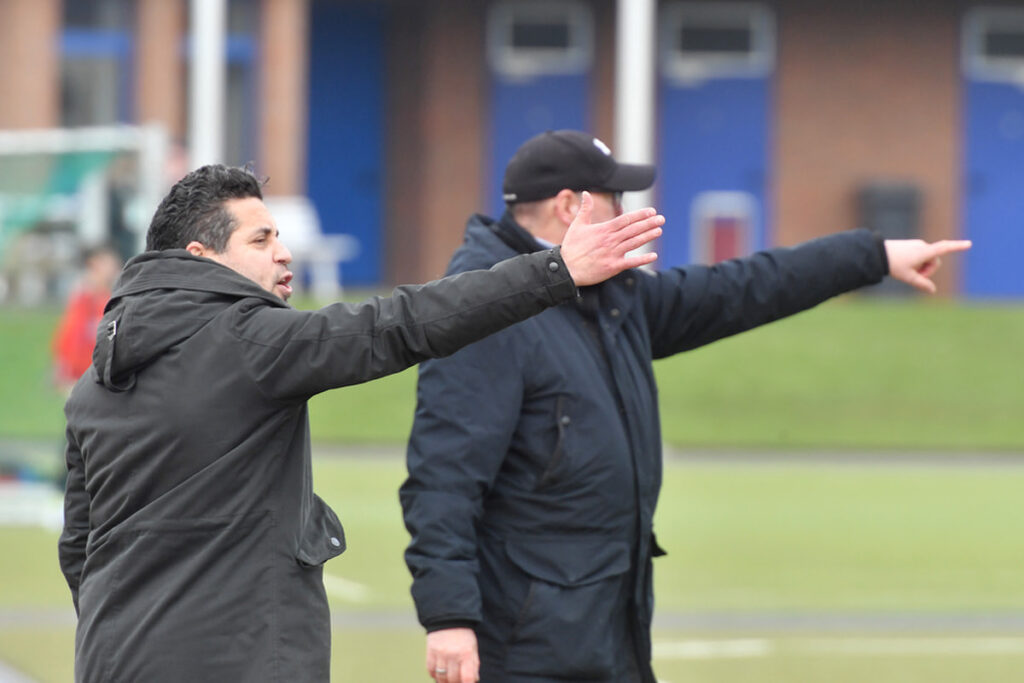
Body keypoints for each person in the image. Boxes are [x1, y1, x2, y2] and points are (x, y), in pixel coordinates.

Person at [400, 129, 972, 683]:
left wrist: (871, 256)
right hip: (526, 640)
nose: (625, 210)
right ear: (568, 206)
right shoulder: (483, 309)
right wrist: (449, 617)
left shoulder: (612, 298)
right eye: (613, 197)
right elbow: (444, 476)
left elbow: (744, 287)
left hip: (605, 626)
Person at [56, 163, 665, 682]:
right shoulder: (249, 340)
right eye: (262, 239)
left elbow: (79, 549)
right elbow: (402, 323)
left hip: (112, 657)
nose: (285, 252)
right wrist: (554, 272)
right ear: (201, 257)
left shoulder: (92, 384)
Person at [51, 244, 122, 393]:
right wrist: (63, 366)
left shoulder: (111, 296)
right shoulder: (83, 297)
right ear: (94, 263)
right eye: (108, 263)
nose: (114, 268)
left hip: (105, 373)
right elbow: (70, 334)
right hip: (82, 374)